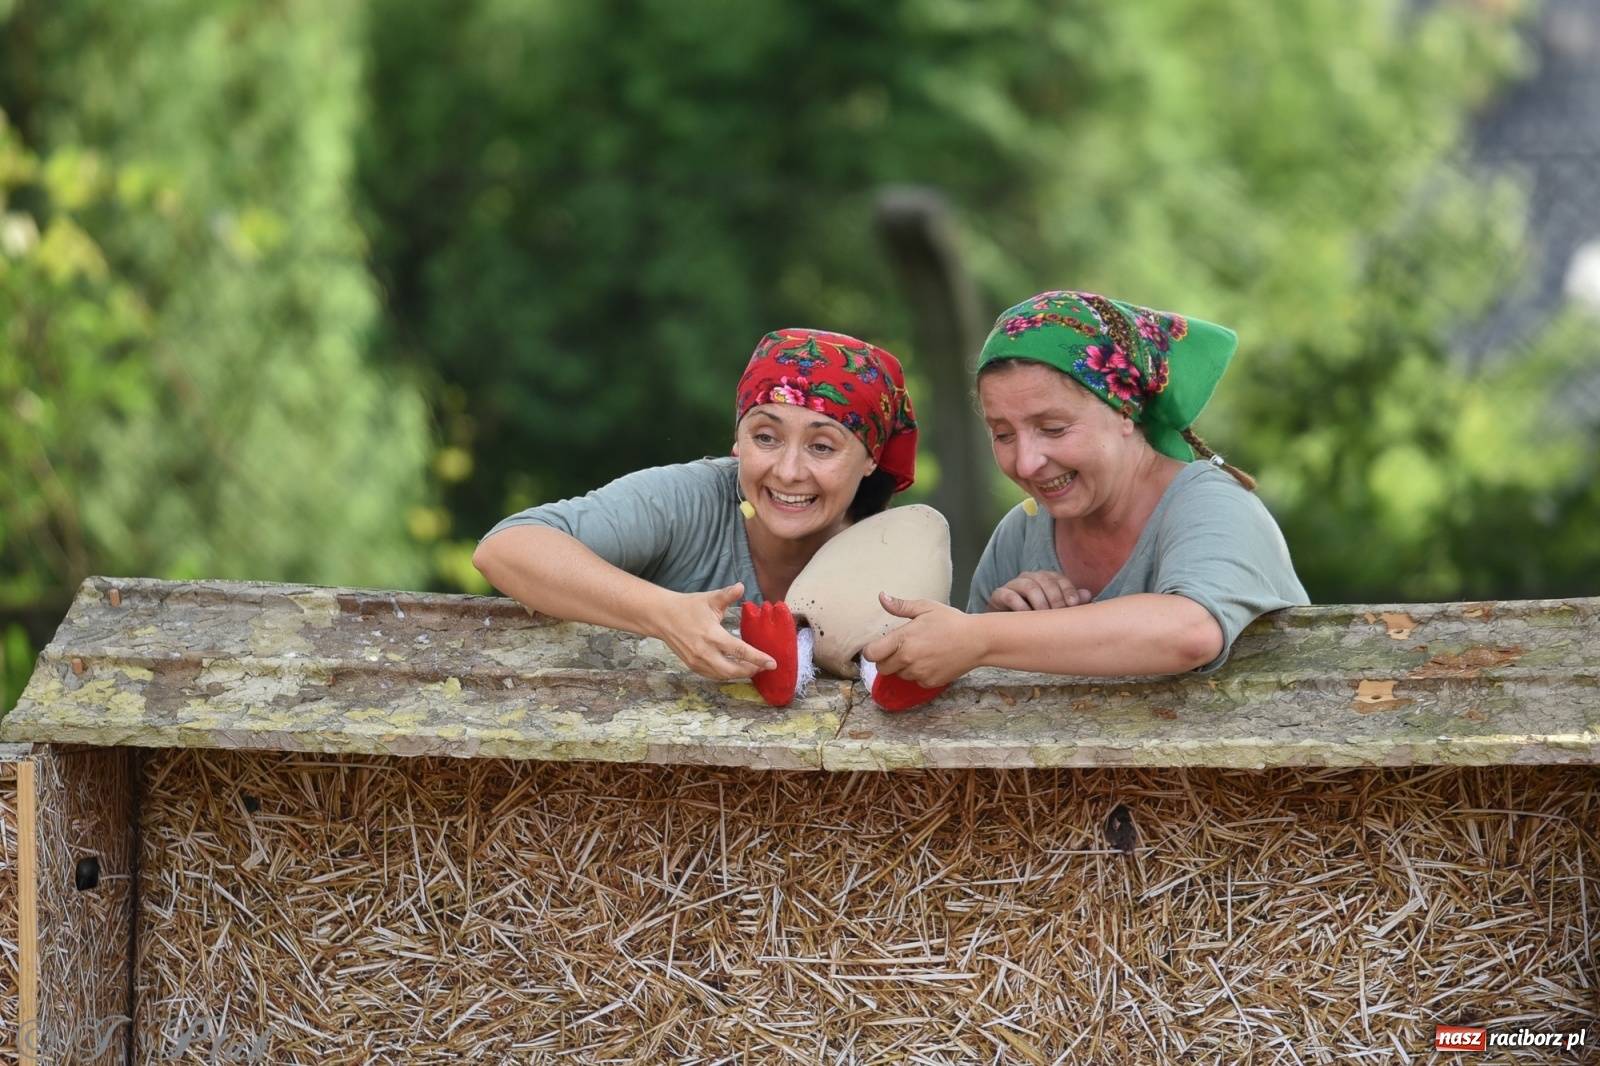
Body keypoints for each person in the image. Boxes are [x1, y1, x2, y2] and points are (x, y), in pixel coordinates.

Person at [861, 290, 1308, 686]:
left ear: (1124, 413)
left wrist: (985, 637)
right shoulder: (1020, 534)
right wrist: (1002, 628)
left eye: (1053, 428)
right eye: (1002, 434)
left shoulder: (1212, 503)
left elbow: (1190, 633)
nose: (1026, 461)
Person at [472, 327, 919, 683]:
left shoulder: (893, 557)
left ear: (870, 460)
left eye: (822, 447)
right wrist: (664, 614)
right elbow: (506, 548)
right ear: (738, 440)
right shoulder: (687, 500)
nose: (787, 471)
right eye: (766, 437)